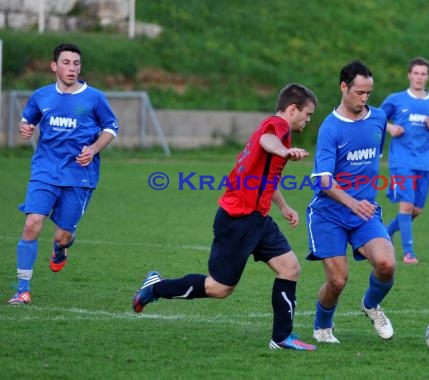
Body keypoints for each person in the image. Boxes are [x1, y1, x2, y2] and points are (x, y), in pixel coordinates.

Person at [132, 83, 318, 351]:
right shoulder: (277, 128)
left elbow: (265, 177)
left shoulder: (273, 131)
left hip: (258, 218)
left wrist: (284, 207)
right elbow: (269, 140)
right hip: (238, 219)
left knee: (290, 268)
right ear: (292, 109)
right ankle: (156, 287)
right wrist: (284, 150)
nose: (308, 120)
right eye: (307, 114)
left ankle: (281, 338)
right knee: (220, 289)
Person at [8, 43, 119, 305]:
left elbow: (111, 128)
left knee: (63, 235)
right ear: (54, 66)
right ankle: (22, 289)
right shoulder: (41, 96)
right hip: (45, 170)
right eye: (66, 62)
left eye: (76, 63)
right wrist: (25, 128)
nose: (72, 68)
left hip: (79, 175)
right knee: (32, 223)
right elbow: (28, 120)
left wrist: (92, 149)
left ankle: (60, 248)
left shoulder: (94, 98)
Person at [307, 60, 395, 344]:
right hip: (329, 214)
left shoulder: (379, 118)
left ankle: (371, 306)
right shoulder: (330, 128)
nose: (364, 98)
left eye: (368, 93)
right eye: (359, 92)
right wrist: (351, 202)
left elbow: (374, 156)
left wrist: (361, 203)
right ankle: (322, 327)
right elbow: (322, 179)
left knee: (386, 264)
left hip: (364, 212)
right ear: (343, 87)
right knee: (337, 281)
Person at [379, 57, 429, 264]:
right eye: (416, 73)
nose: (419, 77)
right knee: (406, 206)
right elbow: (376, 118)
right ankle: (409, 253)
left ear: (427, 76)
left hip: (425, 161)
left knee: (416, 210)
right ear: (409, 75)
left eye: (423, 74)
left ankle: (385, 232)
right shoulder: (396, 99)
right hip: (402, 161)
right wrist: (390, 128)